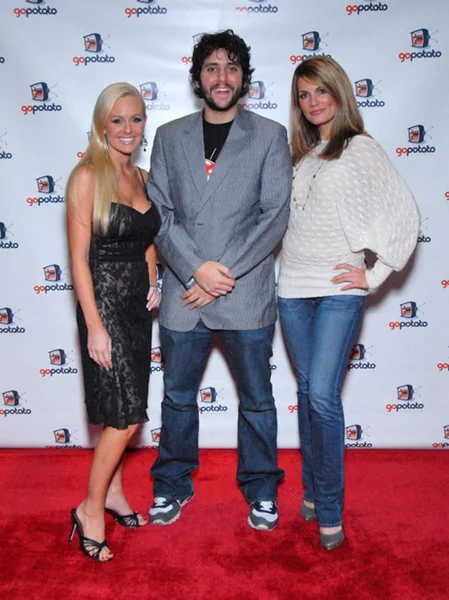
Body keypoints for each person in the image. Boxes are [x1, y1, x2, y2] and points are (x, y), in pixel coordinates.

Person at [146, 30, 292, 531]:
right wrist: (195, 269)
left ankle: (261, 488)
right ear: (197, 78)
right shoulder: (169, 136)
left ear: (244, 78)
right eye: (212, 67)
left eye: (231, 68)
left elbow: (273, 216)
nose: (222, 77)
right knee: (177, 399)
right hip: (185, 294)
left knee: (257, 400)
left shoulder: (270, 135)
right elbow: (159, 215)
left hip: (244, 294)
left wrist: (218, 274)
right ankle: (171, 483)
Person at [277, 56, 420, 550]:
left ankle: (330, 510)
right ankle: (314, 492)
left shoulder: (360, 148)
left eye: (321, 91)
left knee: (321, 394)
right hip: (292, 287)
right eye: (303, 95)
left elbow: (404, 213)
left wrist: (374, 273)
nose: (313, 102)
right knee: (307, 394)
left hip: (339, 288)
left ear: (339, 92)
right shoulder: (303, 155)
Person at [66, 82, 161, 561]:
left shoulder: (142, 177)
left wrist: (154, 279)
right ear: (103, 124)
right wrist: (94, 325)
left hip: (137, 311)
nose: (128, 128)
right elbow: (79, 261)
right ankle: (89, 510)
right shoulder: (88, 176)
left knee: (127, 411)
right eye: (118, 119)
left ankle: (116, 494)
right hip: (103, 305)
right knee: (124, 418)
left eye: (136, 118)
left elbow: (147, 237)